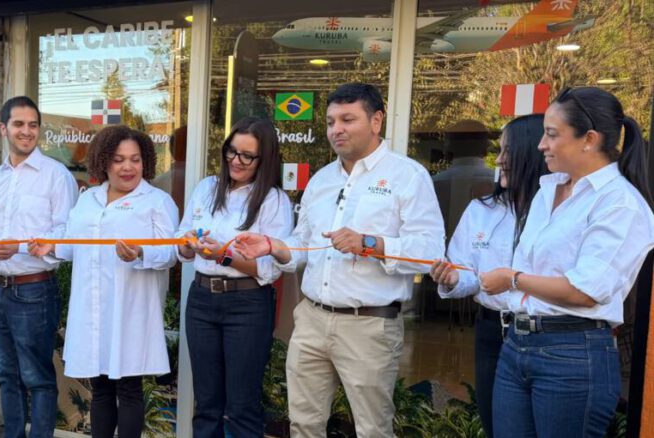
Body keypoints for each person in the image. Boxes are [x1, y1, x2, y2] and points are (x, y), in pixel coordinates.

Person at [234, 83, 445, 438]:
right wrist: (271, 245)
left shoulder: (407, 176)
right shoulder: (321, 180)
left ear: (376, 121)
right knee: (303, 425)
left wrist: (370, 243)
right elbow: (302, 247)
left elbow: (430, 253)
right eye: (331, 122)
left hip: (369, 325)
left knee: (372, 430)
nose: (337, 130)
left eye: (348, 119)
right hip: (312, 319)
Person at [479, 87, 654, 438]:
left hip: (573, 353)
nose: (541, 144)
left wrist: (512, 278)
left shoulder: (620, 203)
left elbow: (584, 291)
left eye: (551, 134)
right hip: (517, 343)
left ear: (589, 139)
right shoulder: (548, 190)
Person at [30, 126, 178, 438]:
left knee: (129, 389)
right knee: (100, 389)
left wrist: (140, 252)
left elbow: (171, 253)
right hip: (92, 307)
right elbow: (72, 244)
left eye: (135, 159)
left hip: (130, 308)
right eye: (119, 160)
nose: (128, 167)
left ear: (146, 161)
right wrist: (51, 247)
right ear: (104, 162)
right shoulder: (88, 200)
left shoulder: (157, 201)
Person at [0, 96, 77, 438]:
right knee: (6, 376)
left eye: (33, 125)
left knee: (37, 378)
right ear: (3, 128)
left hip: (34, 290)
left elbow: (67, 239)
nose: (27, 131)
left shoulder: (56, 176)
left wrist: (20, 247)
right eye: (19, 124)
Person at [428, 114, 548, 438]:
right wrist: (452, 279)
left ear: (534, 153)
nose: (499, 160)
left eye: (508, 151)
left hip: (544, 334)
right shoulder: (483, 209)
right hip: (492, 329)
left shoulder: (556, 213)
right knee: (495, 423)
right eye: (499, 150)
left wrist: (512, 280)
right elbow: (467, 272)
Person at [174, 116, 292, 438]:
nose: (236, 161)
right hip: (201, 300)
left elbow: (270, 269)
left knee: (241, 406)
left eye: (247, 156)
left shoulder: (273, 200)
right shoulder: (206, 188)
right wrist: (187, 245)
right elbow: (182, 242)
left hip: (247, 303)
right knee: (206, 404)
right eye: (231, 151)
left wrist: (223, 256)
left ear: (264, 160)